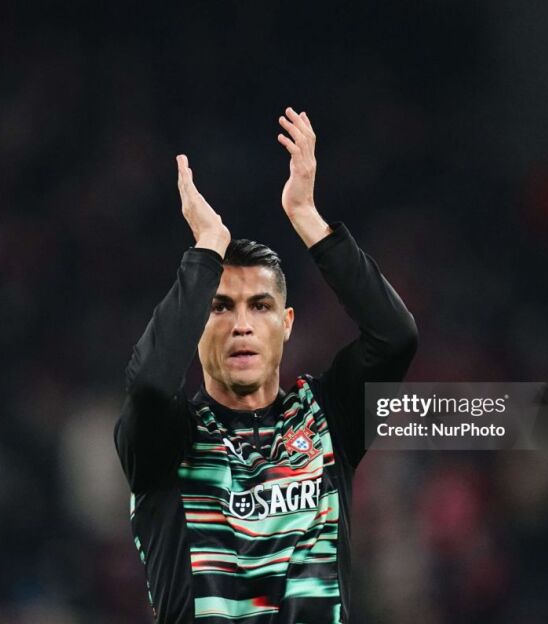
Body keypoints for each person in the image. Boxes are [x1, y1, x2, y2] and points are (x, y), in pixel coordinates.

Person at [115, 107, 417, 623]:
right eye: (220, 308)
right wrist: (206, 249)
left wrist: (307, 217)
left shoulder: (328, 419)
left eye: (260, 306)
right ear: (195, 325)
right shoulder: (169, 440)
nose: (242, 325)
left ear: (287, 322)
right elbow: (147, 385)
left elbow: (395, 337)